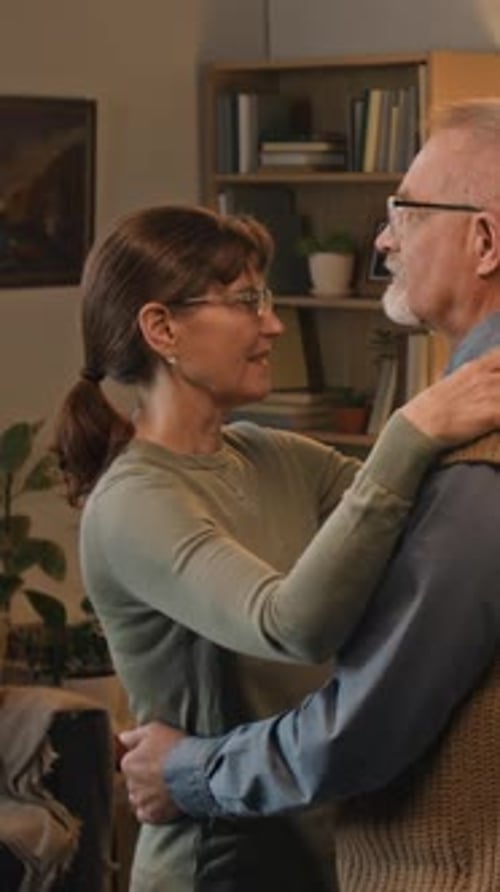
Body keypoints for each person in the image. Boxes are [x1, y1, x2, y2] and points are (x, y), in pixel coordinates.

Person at [54, 202, 500, 892]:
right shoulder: (133, 505)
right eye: (245, 302)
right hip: (218, 873)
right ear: (161, 327)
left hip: (321, 856)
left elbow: (416, 532)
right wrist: (411, 431)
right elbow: (291, 625)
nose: (272, 324)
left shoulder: (272, 454)